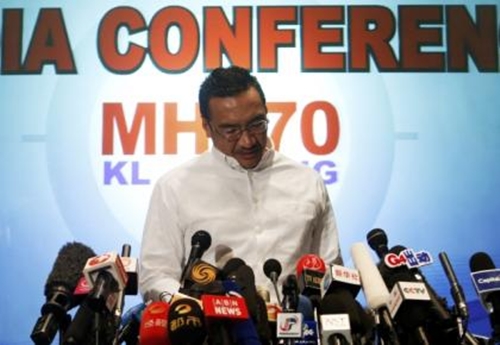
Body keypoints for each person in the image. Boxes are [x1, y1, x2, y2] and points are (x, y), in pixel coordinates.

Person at [139, 65, 342, 303]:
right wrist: (196, 309)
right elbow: (155, 276)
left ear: (266, 113)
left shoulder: (308, 181)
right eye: (231, 130)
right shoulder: (174, 187)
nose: (247, 141)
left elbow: (329, 272)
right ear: (206, 126)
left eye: (257, 124)